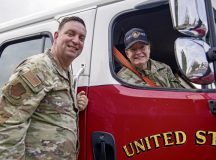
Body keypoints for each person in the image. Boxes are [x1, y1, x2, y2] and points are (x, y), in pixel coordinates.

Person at [0, 16, 88, 159]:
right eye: (70, 34)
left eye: (81, 37)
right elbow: (7, 121)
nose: (76, 40)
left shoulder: (65, 71)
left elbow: (48, 110)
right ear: (56, 36)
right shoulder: (38, 67)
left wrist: (75, 105)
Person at [117, 28, 183, 88]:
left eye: (142, 47)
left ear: (149, 48)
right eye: (133, 49)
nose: (138, 52)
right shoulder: (122, 76)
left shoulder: (164, 68)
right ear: (127, 54)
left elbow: (178, 92)